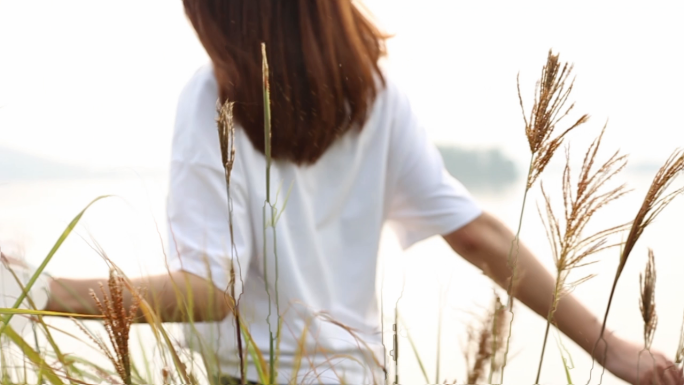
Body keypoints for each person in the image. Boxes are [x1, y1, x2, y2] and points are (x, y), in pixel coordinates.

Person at [25, 1, 680, 384]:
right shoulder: (375, 89)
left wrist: (36, 289)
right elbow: (477, 234)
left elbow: (212, 288)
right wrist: (610, 345)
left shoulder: (211, 95)